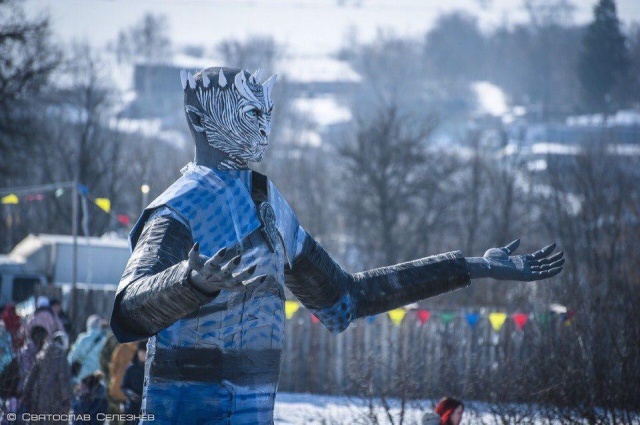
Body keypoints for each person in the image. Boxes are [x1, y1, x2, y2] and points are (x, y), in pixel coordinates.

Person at [110, 67, 564, 424]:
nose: (264, 127)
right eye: (251, 113)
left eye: (267, 113)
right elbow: (128, 311)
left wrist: (470, 266)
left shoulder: (265, 201)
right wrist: (188, 281)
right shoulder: (179, 207)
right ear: (199, 119)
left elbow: (346, 299)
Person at [21, 331, 73, 425]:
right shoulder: (61, 356)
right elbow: (64, 380)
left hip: (37, 399)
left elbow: (30, 378)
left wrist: (26, 395)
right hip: (55, 401)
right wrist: (67, 401)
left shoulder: (41, 354)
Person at [68, 315, 107, 384]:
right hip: (96, 374)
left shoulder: (82, 338)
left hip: (81, 373)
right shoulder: (104, 341)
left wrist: (68, 367)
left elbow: (73, 355)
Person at [107, 341, 138, 417]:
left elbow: (113, 365)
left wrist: (114, 378)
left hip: (118, 385)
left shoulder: (123, 346)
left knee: (114, 417)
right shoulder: (142, 349)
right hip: (133, 391)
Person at [120, 341, 146, 423]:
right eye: (141, 352)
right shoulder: (131, 368)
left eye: (145, 352)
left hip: (146, 407)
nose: (142, 355)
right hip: (132, 406)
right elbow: (124, 386)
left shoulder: (152, 370)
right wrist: (131, 394)